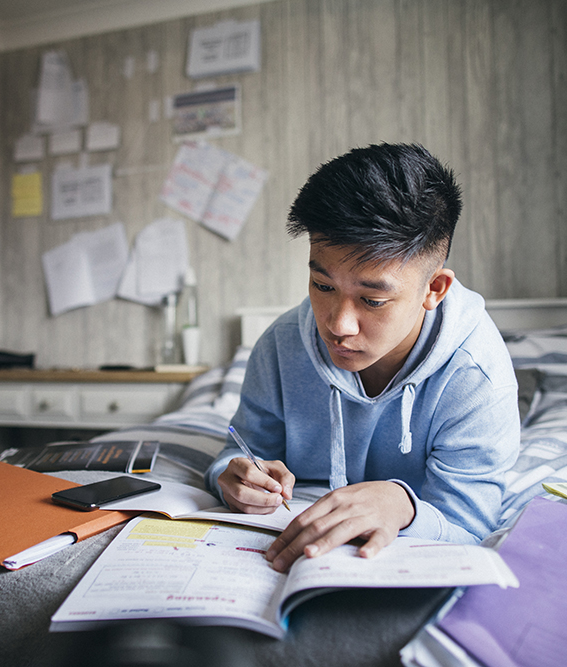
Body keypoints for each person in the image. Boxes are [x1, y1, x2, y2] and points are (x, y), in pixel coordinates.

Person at [204, 143, 520, 572]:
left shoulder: (476, 375)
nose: (338, 324)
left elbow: (470, 524)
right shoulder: (279, 346)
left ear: (434, 290)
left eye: (372, 300)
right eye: (323, 286)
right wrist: (232, 479)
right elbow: (239, 454)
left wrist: (403, 505)